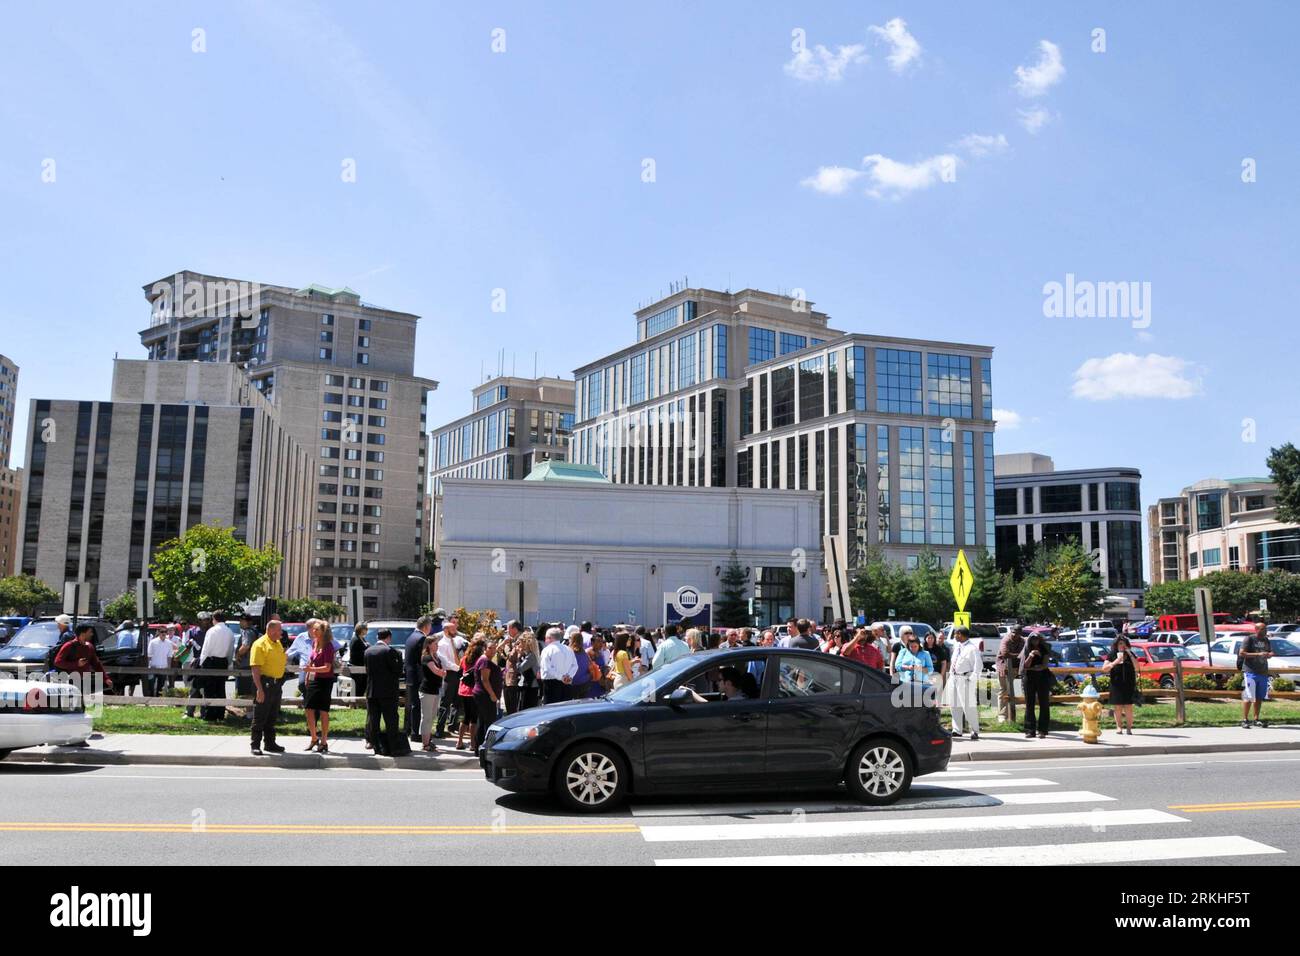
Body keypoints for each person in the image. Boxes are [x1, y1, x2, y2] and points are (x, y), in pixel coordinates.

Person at [364, 629, 410, 756]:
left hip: (372, 690)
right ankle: (392, 745)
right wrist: (399, 658)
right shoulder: (389, 651)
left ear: (377, 637)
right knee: (391, 719)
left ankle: (373, 743)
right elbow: (397, 671)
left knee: (373, 718)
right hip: (388, 691)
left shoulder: (368, 651)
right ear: (389, 638)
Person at [248, 620, 287, 756]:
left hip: (276, 684)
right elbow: (255, 668)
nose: (281, 633)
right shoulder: (260, 644)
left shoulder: (277, 643)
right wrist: (259, 689)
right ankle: (255, 744)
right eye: (279, 630)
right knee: (260, 715)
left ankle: (270, 743)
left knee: (272, 715)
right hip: (264, 683)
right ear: (271, 630)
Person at [300, 619, 336, 754]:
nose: (313, 631)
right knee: (309, 709)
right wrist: (308, 677)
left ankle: (324, 741)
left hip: (325, 681)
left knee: (323, 711)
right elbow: (311, 662)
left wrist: (310, 670)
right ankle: (314, 738)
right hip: (314, 680)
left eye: (316, 629)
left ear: (324, 632)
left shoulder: (328, 646)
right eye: (313, 629)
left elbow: (327, 668)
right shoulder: (315, 643)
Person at [53, 623, 113, 693]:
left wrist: (106, 678)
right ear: (83, 633)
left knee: (82, 702)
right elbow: (57, 662)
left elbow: (96, 664)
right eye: (90, 632)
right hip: (69, 682)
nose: (92, 634)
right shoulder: (69, 646)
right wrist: (76, 664)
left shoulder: (89, 646)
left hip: (84, 682)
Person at [198, 611, 235, 721]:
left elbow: (206, 649)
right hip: (223, 661)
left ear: (214, 619)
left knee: (209, 689)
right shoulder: (230, 632)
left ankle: (210, 715)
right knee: (220, 689)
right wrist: (228, 663)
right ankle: (220, 713)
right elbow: (230, 650)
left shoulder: (212, 631)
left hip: (211, 661)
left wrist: (201, 662)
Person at [405, 615, 434, 742]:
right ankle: (416, 733)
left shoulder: (411, 637)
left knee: (413, 705)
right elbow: (421, 660)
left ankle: (411, 730)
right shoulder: (422, 638)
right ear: (427, 626)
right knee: (417, 706)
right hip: (418, 677)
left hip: (410, 675)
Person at [948, 626, 981, 740]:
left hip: (965, 678)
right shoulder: (957, 646)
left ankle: (974, 730)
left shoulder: (972, 649)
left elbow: (978, 667)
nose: (954, 636)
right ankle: (957, 729)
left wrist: (971, 680)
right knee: (954, 705)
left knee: (968, 706)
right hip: (954, 677)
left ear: (961, 635)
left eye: (956, 634)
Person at [1101, 635, 1138, 735]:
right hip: (1116, 683)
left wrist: (1129, 653)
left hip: (1129, 683)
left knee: (1128, 706)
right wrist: (1116, 662)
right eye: (1120, 643)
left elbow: (1137, 666)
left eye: (1124, 643)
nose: (1122, 645)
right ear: (1116, 644)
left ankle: (1129, 728)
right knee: (1117, 707)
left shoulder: (1130, 654)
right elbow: (1104, 669)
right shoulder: (1112, 654)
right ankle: (1119, 727)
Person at [1240, 621, 1273, 729]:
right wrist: (1258, 654)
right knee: (1249, 696)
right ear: (1257, 629)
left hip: (1263, 672)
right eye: (1263, 629)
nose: (1265, 631)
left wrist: (1269, 654)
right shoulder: (1249, 639)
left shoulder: (1266, 640)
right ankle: (1244, 720)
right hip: (1250, 672)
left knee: (1259, 697)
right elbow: (1242, 653)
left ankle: (1256, 719)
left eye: (1266, 629)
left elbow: (1270, 651)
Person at [433, 615, 463, 738]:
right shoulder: (442, 644)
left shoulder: (456, 641)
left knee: (457, 701)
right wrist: (458, 667)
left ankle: (452, 725)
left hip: (458, 674)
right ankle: (439, 729)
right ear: (446, 630)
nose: (455, 630)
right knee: (445, 702)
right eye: (452, 629)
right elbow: (445, 662)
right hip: (449, 674)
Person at [472, 638, 503, 751]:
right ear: (484, 649)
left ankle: (479, 747)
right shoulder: (484, 661)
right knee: (489, 721)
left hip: (483, 695)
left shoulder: (488, 660)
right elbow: (484, 680)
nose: (493, 650)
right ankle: (486, 747)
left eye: (494, 648)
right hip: (484, 695)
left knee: (483, 721)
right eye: (490, 648)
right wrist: (492, 695)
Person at [1020, 631, 1053, 739]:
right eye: (1033, 639)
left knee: (1044, 703)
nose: (1035, 641)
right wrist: (1030, 655)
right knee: (1030, 704)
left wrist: (1037, 667)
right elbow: (1025, 666)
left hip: (1042, 677)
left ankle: (1043, 730)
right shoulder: (1026, 649)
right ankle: (1030, 730)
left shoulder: (1044, 648)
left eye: (1037, 639)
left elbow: (1044, 665)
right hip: (1029, 678)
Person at [419, 633, 447, 752]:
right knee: (426, 717)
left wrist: (442, 671)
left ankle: (428, 740)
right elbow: (437, 672)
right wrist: (442, 672)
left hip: (435, 690)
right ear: (429, 645)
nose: (437, 646)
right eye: (435, 644)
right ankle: (425, 744)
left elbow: (443, 670)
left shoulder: (437, 657)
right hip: (427, 691)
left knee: (432, 716)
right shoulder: (427, 658)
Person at [456, 636, 485, 751]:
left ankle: (459, 741)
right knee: (474, 718)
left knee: (465, 717)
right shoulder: (480, 660)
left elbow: (459, 673)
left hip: (463, 690)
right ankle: (473, 744)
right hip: (474, 691)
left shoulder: (464, 658)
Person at [539, 626, 578, 703]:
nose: (545, 640)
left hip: (551, 684)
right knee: (565, 709)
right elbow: (575, 666)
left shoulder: (547, 650)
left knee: (551, 710)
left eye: (546, 638)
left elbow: (547, 668)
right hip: (567, 683)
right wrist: (569, 676)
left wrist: (561, 677)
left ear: (550, 638)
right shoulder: (568, 649)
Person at [996, 626, 1025, 723]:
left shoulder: (1022, 641)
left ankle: (1011, 715)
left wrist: (1017, 655)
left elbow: (1024, 654)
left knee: (1016, 691)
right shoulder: (1006, 639)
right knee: (1004, 690)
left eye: (1017, 633)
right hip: (1003, 667)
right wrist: (1019, 655)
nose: (1014, 635)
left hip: (1017, 668)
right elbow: (1005, 654)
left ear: (1020, 634)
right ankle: (1002, 715)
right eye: (1013, 632)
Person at [682, 666, 759, 702]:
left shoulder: (736, 701)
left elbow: (711, 709)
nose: (716, 682)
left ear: (728, 683)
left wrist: (691, 693)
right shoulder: (736, 696)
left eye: (719, 680)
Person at [145, 625, 175, 698]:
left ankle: (158, 701)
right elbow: (149, 655)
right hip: (153, 667)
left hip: (164, 667)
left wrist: (169, 667)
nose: (164, 633)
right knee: (151, 686)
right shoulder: (152, 642)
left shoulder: (169, 643)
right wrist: (149, 667)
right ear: (158, 632)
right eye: (162, 632)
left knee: (160, 687)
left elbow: (169, 656)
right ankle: (151, 700)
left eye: (165, 631)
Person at [234, 614, 258, 697]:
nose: (240, 623)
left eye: (241, 621)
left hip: (245, 664)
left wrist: (237, 654)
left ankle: (246, 709)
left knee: (244, 693)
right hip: (251, 663)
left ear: (247, 622)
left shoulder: (247, 631)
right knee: (250, 691)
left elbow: (245, 645)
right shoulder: (255, 630)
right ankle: (249, 709)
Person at [925, 631, 950, 700]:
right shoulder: (922, 649)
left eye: (932, 638)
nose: (930, 639)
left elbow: (945, 663)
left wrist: (942, 675)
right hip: (925, 676)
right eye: (928, 638)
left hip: (936, 675)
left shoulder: (942, 650)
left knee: (936, 694)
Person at [568, 629, 593, 698]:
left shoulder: (568, 652)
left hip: (572, 683)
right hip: (584, 683)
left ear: (572, 640)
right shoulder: (585, 653)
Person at [348, 623, 369, 700]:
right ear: (361, 629)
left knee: (363, 685)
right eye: (366, 629)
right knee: (358, 686)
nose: (367, 630)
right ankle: (356, 702)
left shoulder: (362, 638)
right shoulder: (355, 640)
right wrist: (367, 650)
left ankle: (359, 702)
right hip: (356, 667)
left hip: (363, 667)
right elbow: (355, 654)